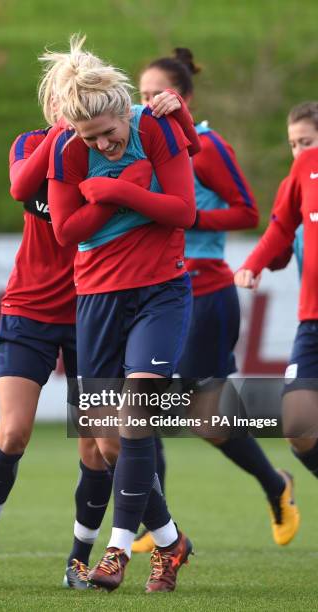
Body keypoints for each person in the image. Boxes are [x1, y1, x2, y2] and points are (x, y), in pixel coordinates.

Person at [40, 34, 197, 593]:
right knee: (107, 442)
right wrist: (117, 189)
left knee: (134, 420)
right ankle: (173, 541)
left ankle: (118, 549)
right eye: (91, 139)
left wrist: (112, 192)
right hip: (97, 298)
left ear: (121, 110)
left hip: (161, 291)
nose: (104, 144)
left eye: (110, 133)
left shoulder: (151, 127)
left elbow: (184, 211)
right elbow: (65, 231)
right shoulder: (65, 149)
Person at [132, 48, 300, 553]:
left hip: (205, 292)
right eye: (139, 96)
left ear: (181, 98)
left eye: (155, 95)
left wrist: (185, 215)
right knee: (139, 404)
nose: (145, 104)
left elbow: (247, 211)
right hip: (155, 292)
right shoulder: (141, 146)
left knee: (205, 420)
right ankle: (154, 524)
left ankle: (277, 486)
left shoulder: (204, 145)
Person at [0, 115, 117, 590]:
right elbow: (21, 185)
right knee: (13, 431)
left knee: (96, 447)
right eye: (66, 102)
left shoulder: (111, 154)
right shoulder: (29, 144)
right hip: (29, 310)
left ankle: (79, 559)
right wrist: (58, 135)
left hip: (92, 312)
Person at [235, 101, 318, 483]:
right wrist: (253, 263)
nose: (300, 152)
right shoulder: (302, 172)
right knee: (298, 425)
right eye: (294, 143)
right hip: (312, 321)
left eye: (308, 142)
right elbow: (282, 228)